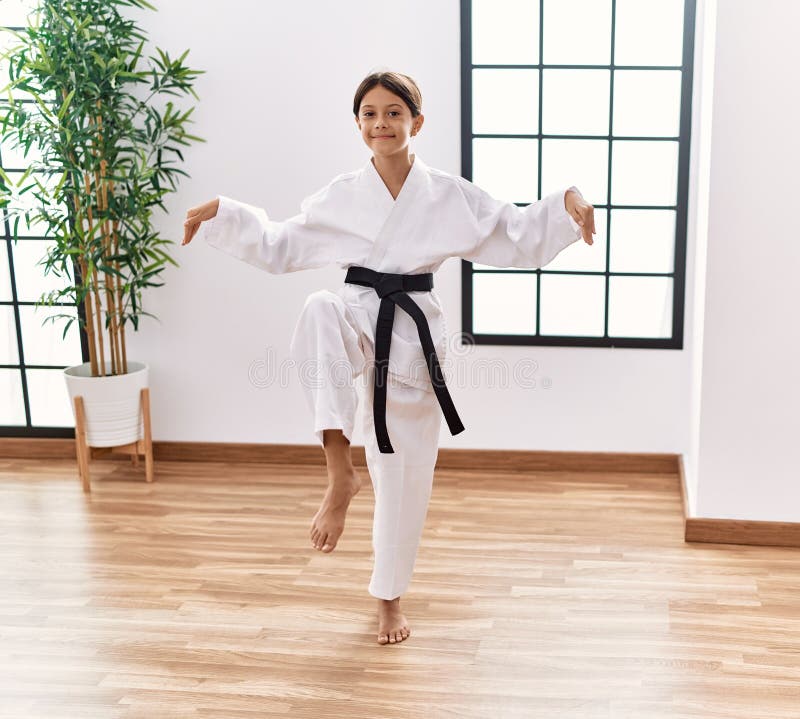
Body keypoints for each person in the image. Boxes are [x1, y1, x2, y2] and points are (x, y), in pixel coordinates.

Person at [182, 70, 596, 646]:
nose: (382, 123)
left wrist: (567, 205)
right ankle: (338, 472)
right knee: (318, 310)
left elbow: (516, 230)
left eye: (394, 113)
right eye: (370, 113)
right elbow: (281, 242)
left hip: (414, 336)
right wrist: (223, 213)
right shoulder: (341, 195)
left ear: (415, 122)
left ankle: (388, 600)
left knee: (404, 477)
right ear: (358, 125)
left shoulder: (450, 194)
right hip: (356, 312)